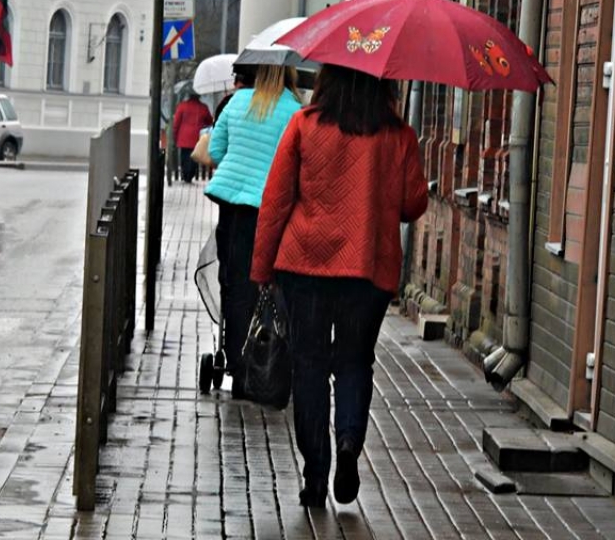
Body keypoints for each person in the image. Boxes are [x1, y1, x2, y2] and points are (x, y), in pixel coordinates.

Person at [250, 64, 429, 508]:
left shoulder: (304, 125)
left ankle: (315, 474)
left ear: (328, 79)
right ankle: (349, 440)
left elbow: (276, 201)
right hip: (366, 270)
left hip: (305, 264)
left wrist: (261, 271)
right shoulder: (399, 136)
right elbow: (412, 204)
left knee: (308, 366)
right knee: (354, 362)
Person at [204, 65, 303, 396]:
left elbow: (215, 152)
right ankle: (272, 354)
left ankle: (236, 359)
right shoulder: (294, 111)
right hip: (273, 209)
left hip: (233, 207)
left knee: (234, 282)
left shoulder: (236, 102)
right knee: (272, 282)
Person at [172, 91, 213, 184]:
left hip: (183, 136)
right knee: (194, 157)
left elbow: (176, 123)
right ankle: (190, 175)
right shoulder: (203, 107)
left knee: (184, 156)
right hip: (196, 136)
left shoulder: (182, 106)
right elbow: (209, 121)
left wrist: (174, 135)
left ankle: (185, 174)